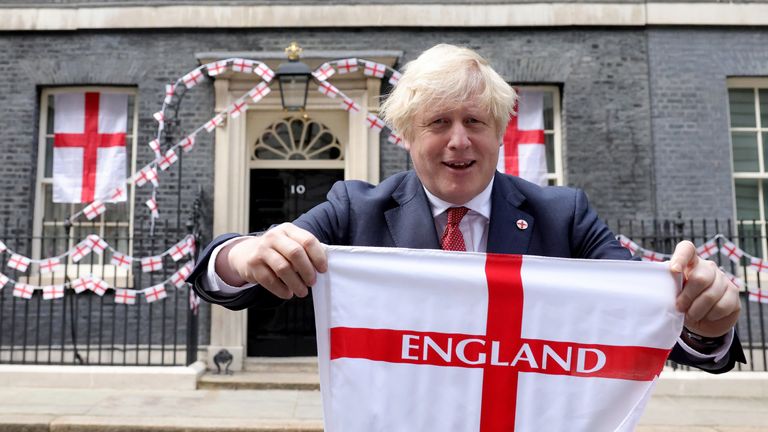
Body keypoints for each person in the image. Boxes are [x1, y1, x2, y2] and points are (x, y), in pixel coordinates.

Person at [189, 44, 744, 373]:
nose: (459, 141)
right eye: (438, 123)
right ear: (405, 136)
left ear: (500, 132)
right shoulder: (353, 209)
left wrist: (702, 319)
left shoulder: (563, 215)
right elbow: (225, 275)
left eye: (475, 122)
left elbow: (647, 309)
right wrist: (248, 253)